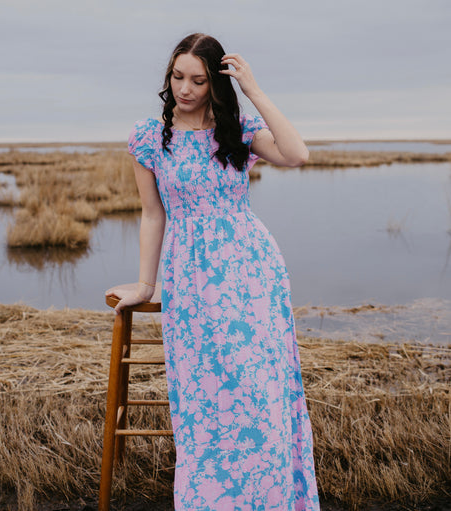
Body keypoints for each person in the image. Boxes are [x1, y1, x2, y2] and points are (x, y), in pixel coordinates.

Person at [106, 33, 320, 510]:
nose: (185, 89)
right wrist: (146, 284)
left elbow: (297, 153)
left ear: (214, 83)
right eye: (177, 77)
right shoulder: (149, 137)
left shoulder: (237, 128)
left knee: (260, 390)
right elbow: (152, 214)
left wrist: (255, 90)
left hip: (251, 271)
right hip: (191, 276)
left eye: (198, 80)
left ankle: (272, 498)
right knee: (206, 398)